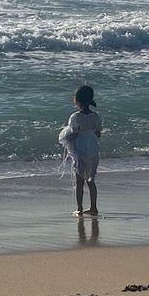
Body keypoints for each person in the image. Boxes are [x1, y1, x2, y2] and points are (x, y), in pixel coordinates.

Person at [60, 85, 102, 216]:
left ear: (77, 100)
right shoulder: (96, 116)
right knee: (91, 179)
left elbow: (73, 133)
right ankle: (93, 207)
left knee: (79, 181)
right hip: (93, 149)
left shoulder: (75, 116)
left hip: (81, 149)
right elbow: (98, 134)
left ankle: (79, 208)